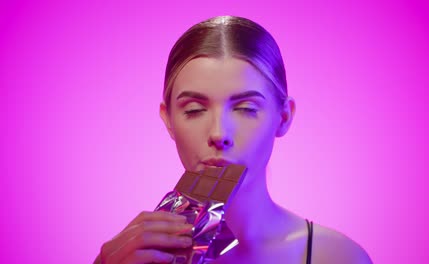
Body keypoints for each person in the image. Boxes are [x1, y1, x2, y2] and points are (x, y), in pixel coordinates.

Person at [94, 15, 372, 264]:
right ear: (168, 120)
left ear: (284, 117)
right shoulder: (128, 255)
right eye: (194, 110)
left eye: (246, 109)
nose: (219, 134)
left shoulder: (337, 257)